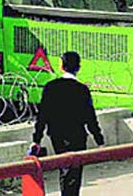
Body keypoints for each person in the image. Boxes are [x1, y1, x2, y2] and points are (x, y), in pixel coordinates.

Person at [31, 51, 104, 196]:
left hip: (56, 135)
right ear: (78, 68)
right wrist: (99, 139)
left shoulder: (51, 87)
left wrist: (37, 139)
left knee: (64, 168)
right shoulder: (82, 89)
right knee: (74, 172)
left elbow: (42, 115)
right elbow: (90, 117)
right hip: (77, 136)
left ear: (61, 66)